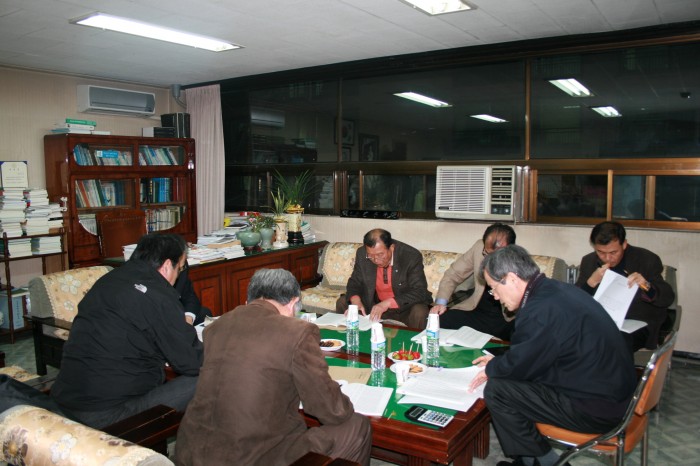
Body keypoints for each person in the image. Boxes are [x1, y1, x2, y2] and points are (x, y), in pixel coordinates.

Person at [176, 268, 372, 466]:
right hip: (253, 456)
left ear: (249, 299)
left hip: (190, 452)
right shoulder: (297, 332)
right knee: (357, 425)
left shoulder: (215, 327)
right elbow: (332, 411)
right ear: (293, 303)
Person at [469, 245, 636, 466]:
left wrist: (493, 368)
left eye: (493, 289)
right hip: (614, 395)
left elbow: (522, 365)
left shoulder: (539, 310)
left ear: (511, 279)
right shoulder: (555, 290)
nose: (496, 297)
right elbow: (533, 355)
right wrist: (503, 363)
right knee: (513, 381)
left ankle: (545, 462)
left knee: (498, 390)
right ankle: (530, 459)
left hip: (596, 408)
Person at [50, 233, 203, 429]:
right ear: (166, 266)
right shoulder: (157, 294)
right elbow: (191, 362)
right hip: (106, 415)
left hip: (64, 402)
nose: (179, 275)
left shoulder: (108, 280)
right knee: (212, 374)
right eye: (180, 268)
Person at [576, 221, 675, 351]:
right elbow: (574, 301)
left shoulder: (646, 259)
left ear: (624, 244)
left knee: (616, 342)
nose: (607, 258)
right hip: (602, 320)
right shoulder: (589, 261)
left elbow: (667, 298)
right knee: (575, 338)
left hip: (637, 322)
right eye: (600, 252)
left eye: (613, 252)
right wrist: (590, 283)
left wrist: (645, 285)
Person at [430, 223, 516, 340]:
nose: (490, 260)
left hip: (505, 317)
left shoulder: (519, 262)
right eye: (487, 254)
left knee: (521, 333)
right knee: (441, 320)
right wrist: (441, 303)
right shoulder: (478, 248)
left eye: (496, 255)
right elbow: (453, 274)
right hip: (477, 310)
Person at [335, 229, 432, 329]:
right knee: (343, 302)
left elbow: (420, 291)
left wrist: (388, 303)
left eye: (380, 254)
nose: (376, 260)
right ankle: (350, 337)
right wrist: (356, 301)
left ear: (392, 247)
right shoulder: (362, 253)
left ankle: (416, 339)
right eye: (371, 256)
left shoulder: (410, 256)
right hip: (373, 305)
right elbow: (355, 282)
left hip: (403, 308)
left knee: (420, 311)